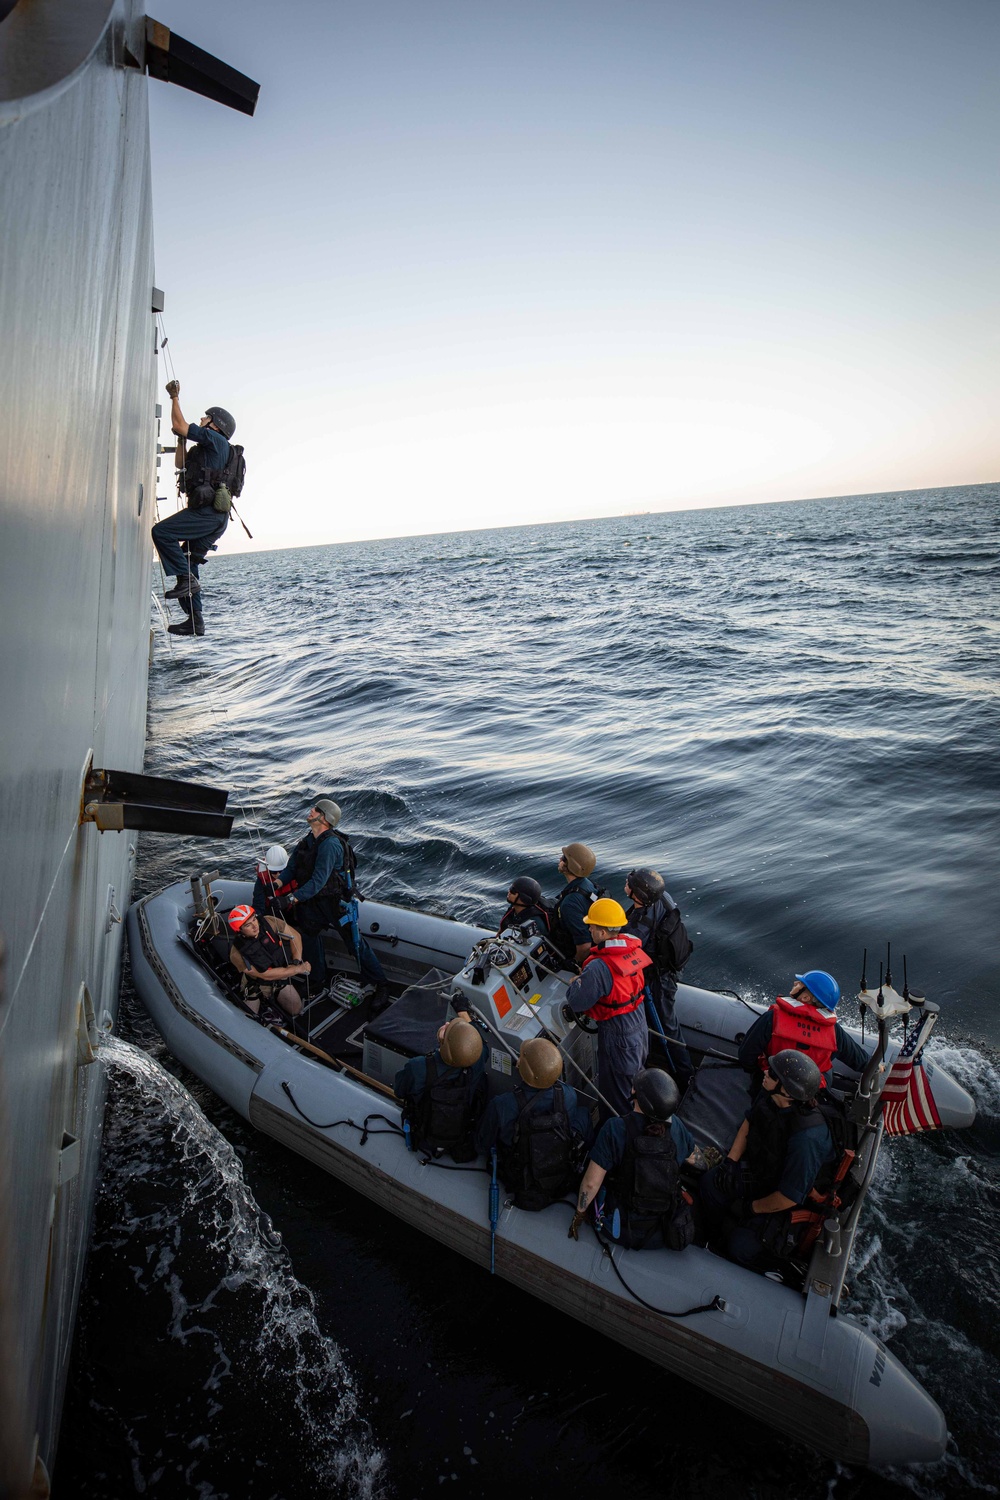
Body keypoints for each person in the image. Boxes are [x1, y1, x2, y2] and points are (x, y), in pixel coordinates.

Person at [699, 1050, 837, 1270]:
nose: (765, 1072)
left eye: (773, 1074)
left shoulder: (806, 1139)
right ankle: (711, 1236)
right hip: (764, 1171)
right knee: (711, 1184)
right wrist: (730, 1163)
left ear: (789, 1091)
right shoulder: (770, 1095)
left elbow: (789, 1197)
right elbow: (749, 1122)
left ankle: (776, 1269)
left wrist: (750, 1208)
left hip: (786, 1197)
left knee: (740, 1247)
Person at [569, 1068, 699, 1249]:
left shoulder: (615, 1129)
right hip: (660, 1226)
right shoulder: (677, 1126)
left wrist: (579, 1214)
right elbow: (692, 1157)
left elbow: (591, 1184)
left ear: (634, 1093)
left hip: (622, 1226)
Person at [280, 798, 389, 1009]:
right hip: (314, 902)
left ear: (325, 818)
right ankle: (317, 980)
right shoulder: (308, 841)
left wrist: (292, 898)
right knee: (309, 935)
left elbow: (319, 881)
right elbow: (292, 867)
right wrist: (277, 882)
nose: (311, 810)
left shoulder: (330, 845)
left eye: (316, 809)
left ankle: (380, 984)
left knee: (355, 943)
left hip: (335, 902)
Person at [151, 380, 236, 637]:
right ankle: (195, 621)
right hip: (215, 516)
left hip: (208, 514)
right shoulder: (209, 447)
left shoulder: (215, 440)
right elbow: (180, 461)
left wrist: (174, 398)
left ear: (215, 425)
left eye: (206, 417)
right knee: (189, 560)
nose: (201, 419)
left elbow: (179, 425)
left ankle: (186, 580)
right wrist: (181, 442)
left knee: (161, 533)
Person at [476, 1038, 593, 1210]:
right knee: (583, 1114)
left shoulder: (502, 1104)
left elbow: (482, 1145)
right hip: (558, 1166)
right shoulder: (568, 1095)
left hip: (520, 1170)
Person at [564, 897, 650, 1121]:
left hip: (618, 1032)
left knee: (617, 1096)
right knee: (633, 1080)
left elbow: (577, 1002)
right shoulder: (630, 949)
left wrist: (575, 983)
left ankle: (616, 1139)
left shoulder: (599, 967)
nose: (589, 929)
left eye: (592, 925)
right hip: (639, 1023)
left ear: (602, 933)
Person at [737, 969, 868, 1091]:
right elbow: (861, 1061)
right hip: (809, 1095)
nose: (795, 983)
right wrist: (878, 1067)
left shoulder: (772, 1018)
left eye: (799, 984)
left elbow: (745, 1057)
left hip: (771, 1086)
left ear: (805, 998)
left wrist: (761, 1071)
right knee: (827, 1069)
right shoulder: (834, 1031)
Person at [624, 867, 695, 1090]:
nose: (626, 883)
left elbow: (628, 952)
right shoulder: (663, 897)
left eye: (631, 884)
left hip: (660, 978)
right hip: (670, 967)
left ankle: (686, 1076)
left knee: (667, 1026)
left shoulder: (639, 925)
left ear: (638, 896)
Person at [395, 1019, 487, 1160]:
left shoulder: (418, 1066)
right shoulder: (477, 1062)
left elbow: (399, 1091)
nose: (447, 1023)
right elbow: (480, 1046)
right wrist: (466, 1018)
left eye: (448, 1029)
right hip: (461, 1131)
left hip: (424, 1132)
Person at [227, 903, 307, 1019]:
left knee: (296, 1009)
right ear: (239, 931)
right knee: (249, 1018)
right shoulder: (236, 954)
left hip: (281, 977)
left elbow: (295, 936)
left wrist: (296, 962)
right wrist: (297, 970)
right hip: (257, 984)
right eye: (248, 925)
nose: (255, 926)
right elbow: (265, 975)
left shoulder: (269, 922)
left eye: (254, 919)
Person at [548, 843, 599, 967]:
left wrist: (574, 962)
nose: (560, 859)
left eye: (564, 858)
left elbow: (584, 946)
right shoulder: (587, 884)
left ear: (571, 866)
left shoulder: (569, 904)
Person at [252, 844, 290, 918]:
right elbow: (258, 903)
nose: (278, 875)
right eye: (274, 872)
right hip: (274, 911)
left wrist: (288, 900)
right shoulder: (262, 879)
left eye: (281, 871)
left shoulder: (295, 872)